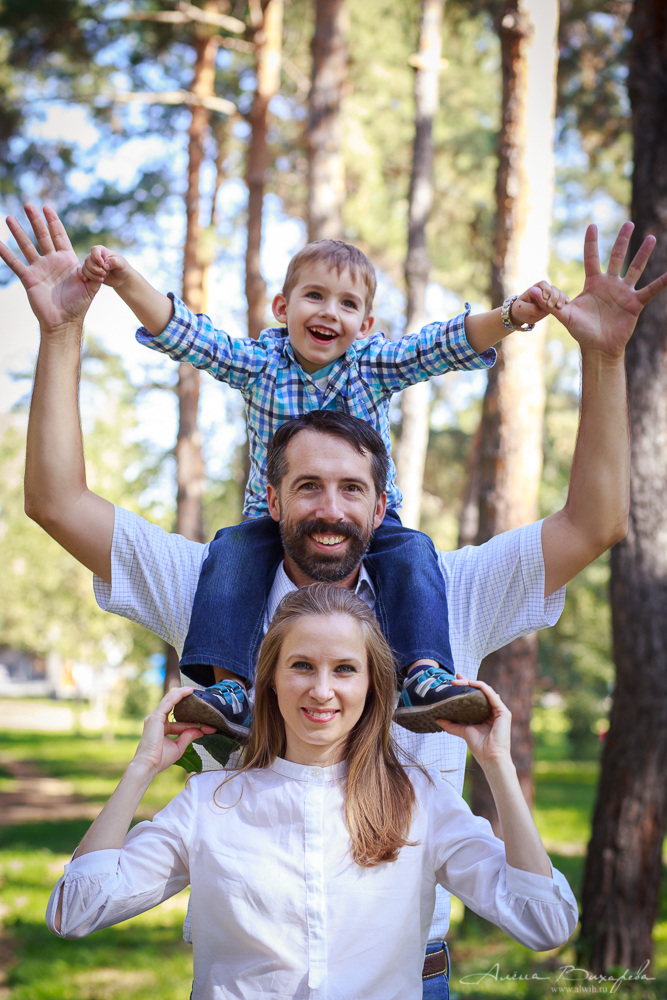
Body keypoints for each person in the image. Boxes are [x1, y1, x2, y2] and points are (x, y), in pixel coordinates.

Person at [4, 205, 666, 992]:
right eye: (307, 486)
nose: (330, 507)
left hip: (402, 975)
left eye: (352, 488)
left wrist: (601, 359)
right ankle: (231, 693)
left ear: (380, 507)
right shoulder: (215, 582)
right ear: (271, 500)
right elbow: (55, 501)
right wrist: (60, 334)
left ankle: (417, 666)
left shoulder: (442, 591)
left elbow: (592, 523)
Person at [78, 237, 568, 736]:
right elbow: (189, 336)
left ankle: (422, 674)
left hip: (371, 522)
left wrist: (511, 315)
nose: (329, 312)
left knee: (414, 554)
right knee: (231, 555)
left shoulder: (372, 367)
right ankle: (231, 688)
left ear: (366, 325)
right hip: (273, 516)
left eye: (348, 304)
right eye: (315, 296)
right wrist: (124, 280)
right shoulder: (259, 365)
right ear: (282, 308)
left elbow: (444, 345)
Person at [46, 585, 578, 1000]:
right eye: (301, 665)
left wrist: (498, 765)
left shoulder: (420, 800)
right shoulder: (208, 802)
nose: (322, 689)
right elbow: (75, 910)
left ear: (371, 687)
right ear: (270, 680)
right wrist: (142, 767)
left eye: (345, 669)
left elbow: (545, 921)